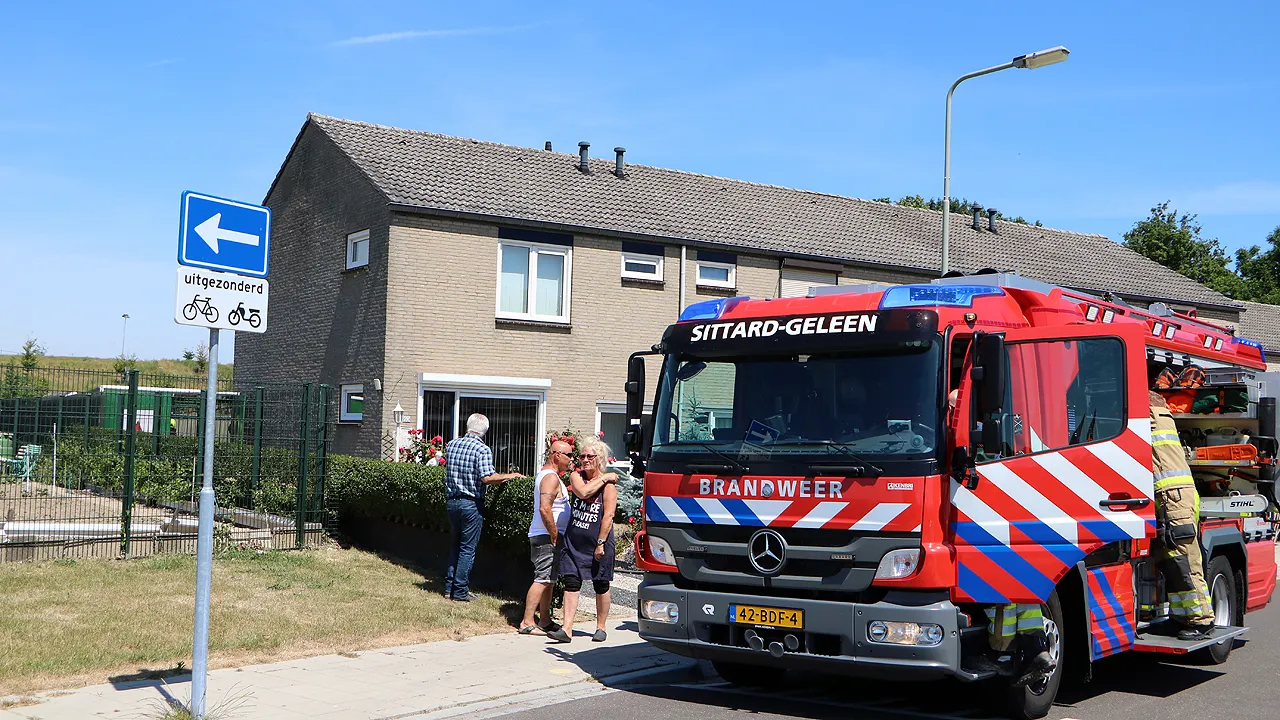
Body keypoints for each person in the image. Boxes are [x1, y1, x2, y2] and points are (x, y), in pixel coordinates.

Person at [1150, 391, 1214, 638]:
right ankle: (1181, 617)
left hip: (1173, 499)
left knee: (1184, 562)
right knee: (1173, 563)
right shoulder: (1162, 418)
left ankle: (1202, 621)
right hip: (1175, 497)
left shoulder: (1151, 419)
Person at [443, 413, 522, 602]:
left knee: (455, 544)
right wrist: (511, 476)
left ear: (467, 426)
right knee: (467, 549)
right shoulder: (482, 449)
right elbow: (487, 477)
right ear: (485, 431)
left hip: (452, 502)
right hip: (471, 503)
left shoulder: (452, 444)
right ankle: (460, 591)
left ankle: (449, 588)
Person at [547, 437, 618, 643]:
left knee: (601, 584)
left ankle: (601, 627)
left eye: (590, 456)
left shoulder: (609, 487)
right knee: (571, 582)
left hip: (598, 543)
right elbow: (583, 492)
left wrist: (601, 543)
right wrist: (605, 477)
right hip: (574, 542)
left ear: (599, 459)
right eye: (582, 456)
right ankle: (567, 629)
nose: (585, 460)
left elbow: (608, 516)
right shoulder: (576, 476)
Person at [518, 439, 592, 634]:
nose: (571, 460)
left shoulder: (551, 476)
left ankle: (544, 620)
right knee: (542, 578)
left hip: (548, 536)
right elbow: (545, 509)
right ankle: (527, 622)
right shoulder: (550, 477)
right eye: (569, 455)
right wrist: (554, 534)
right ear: (557, 455)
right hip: (546, 537)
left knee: (549, 580)